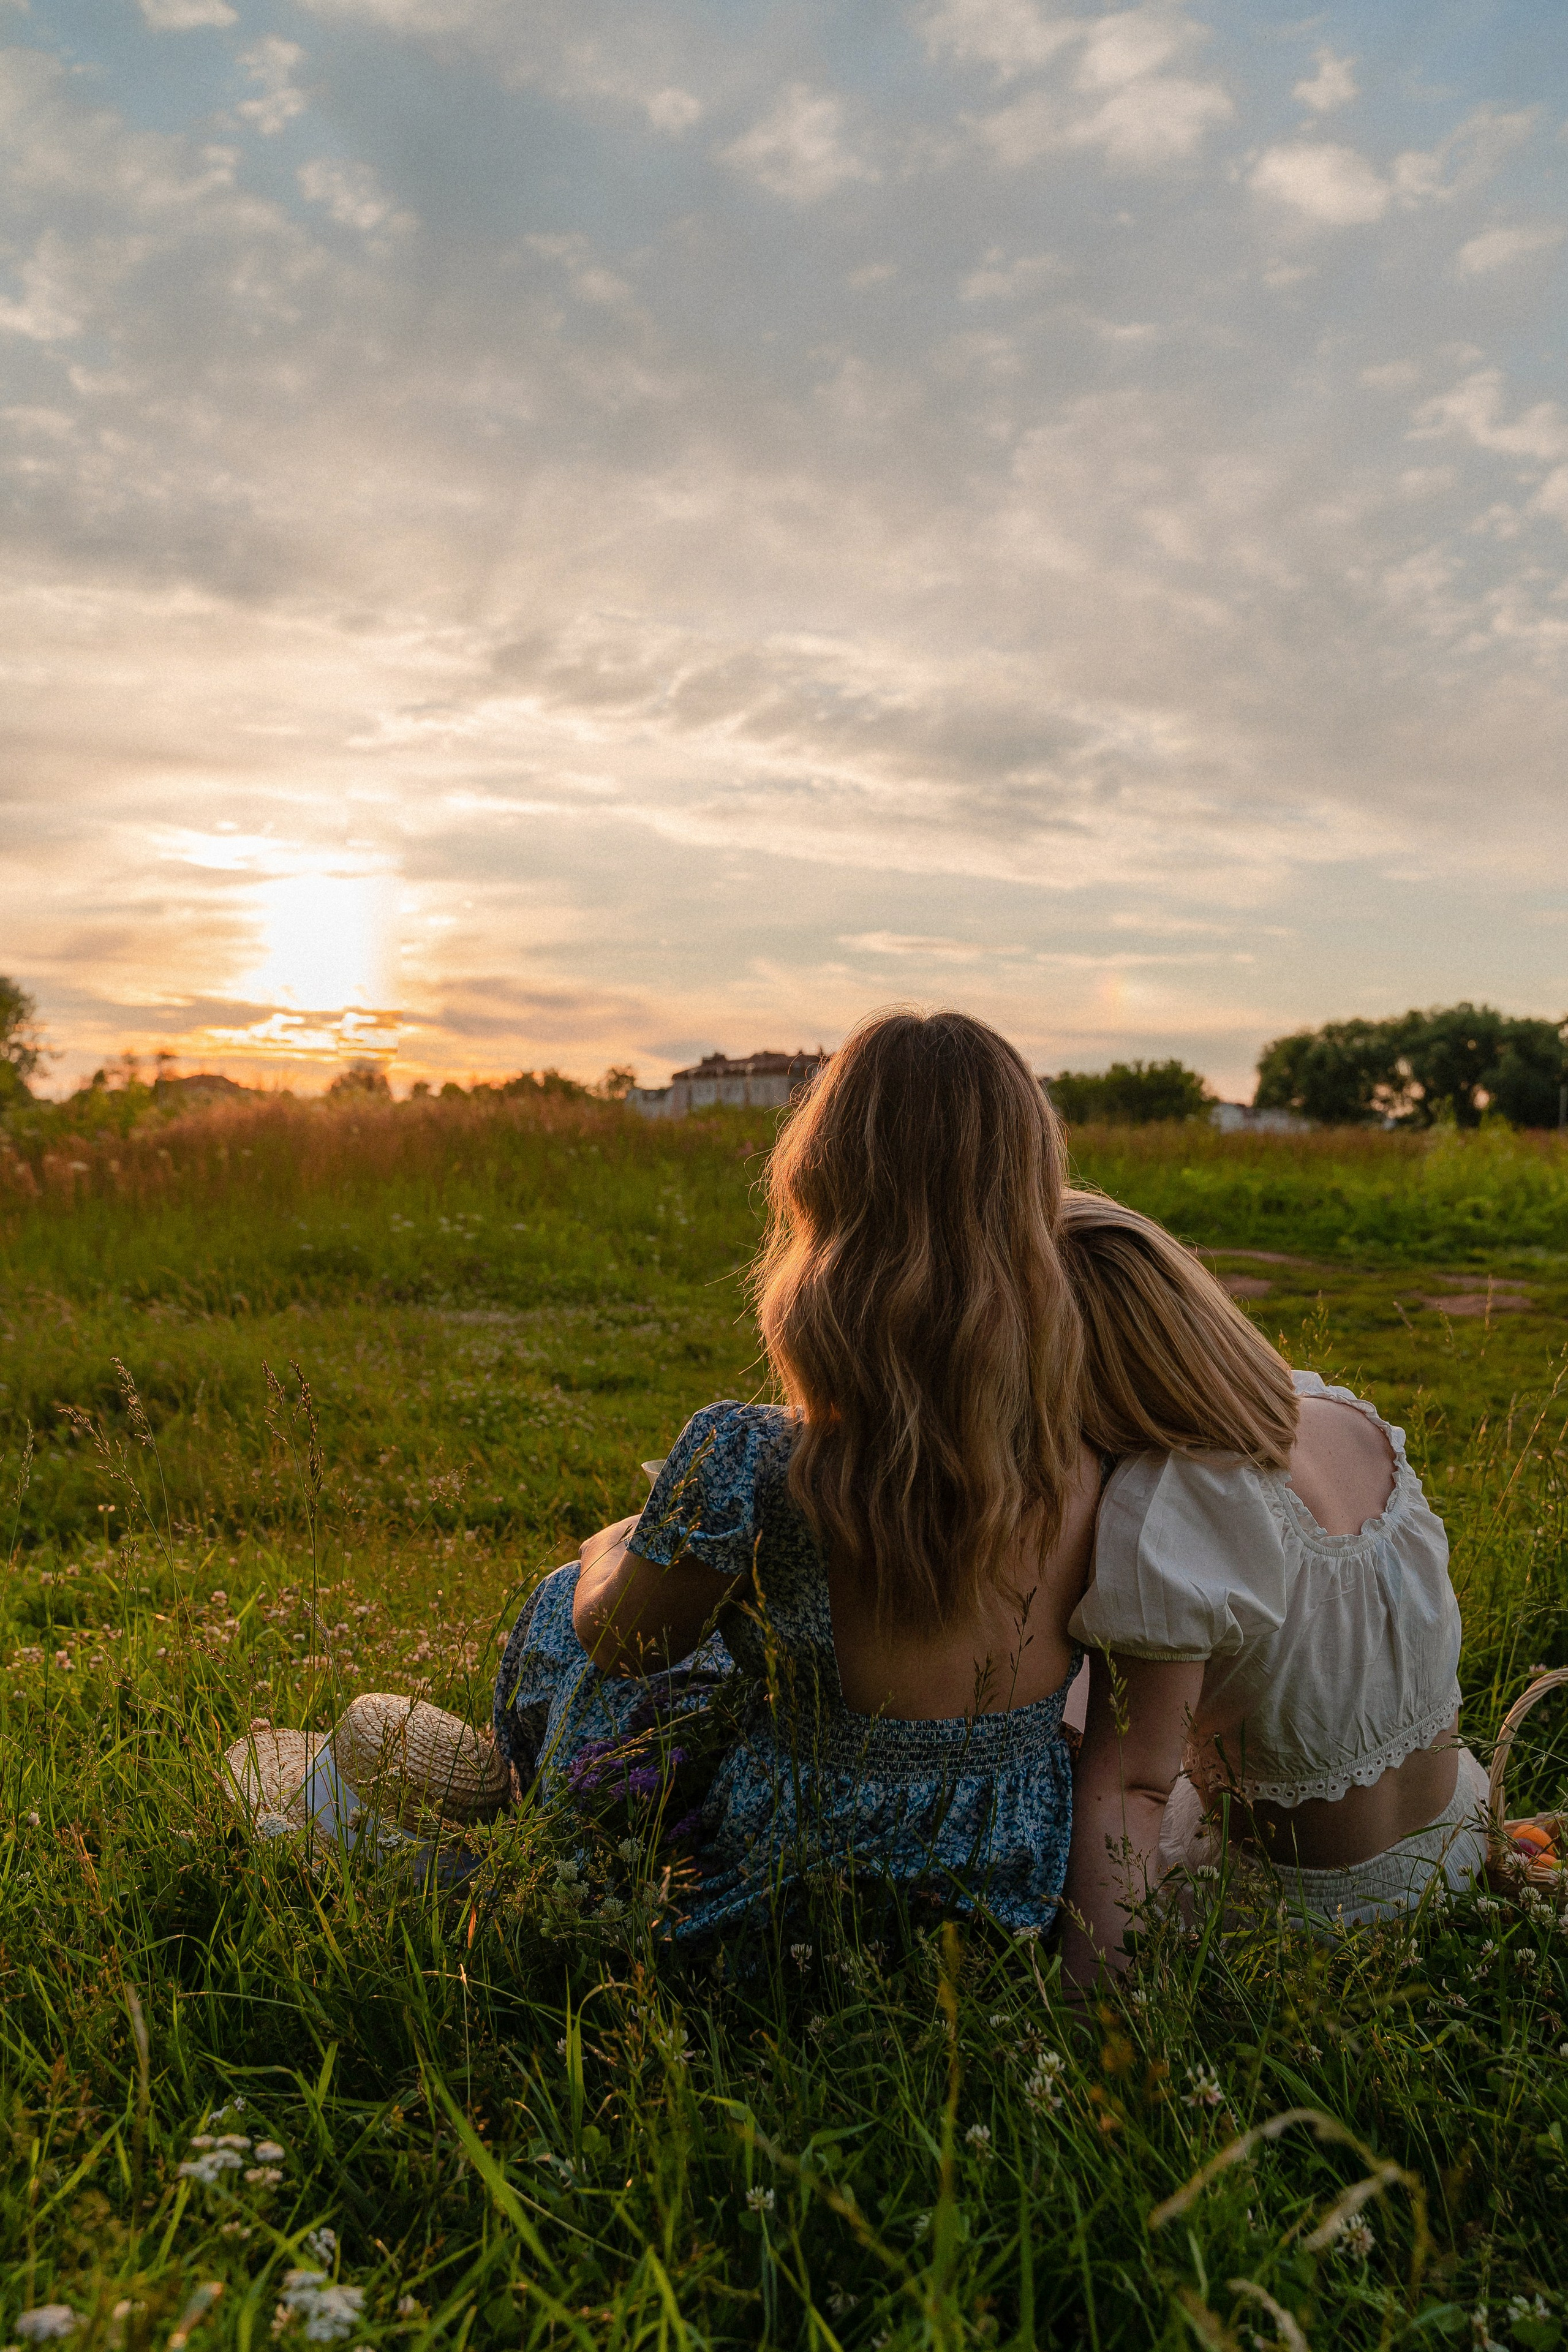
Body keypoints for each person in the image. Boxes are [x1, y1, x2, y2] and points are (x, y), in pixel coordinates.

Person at [492, 1009, 1099, 1939]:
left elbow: (626, 1645)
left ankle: (556, 1867)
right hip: (1002, 1908)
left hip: (794, 1906)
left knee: (561, 1612)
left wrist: (608, 1549)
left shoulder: (748, 1452)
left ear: (823, 1193)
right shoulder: (1087, 1456)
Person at [1055, 1192, 1483, 1980]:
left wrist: (1099, 2031)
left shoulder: (1171, 1499)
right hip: (1453, 1846)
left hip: (1304, 1918)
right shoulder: (1341, 1415)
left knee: (1091, 1765)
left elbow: (1134, 1793)